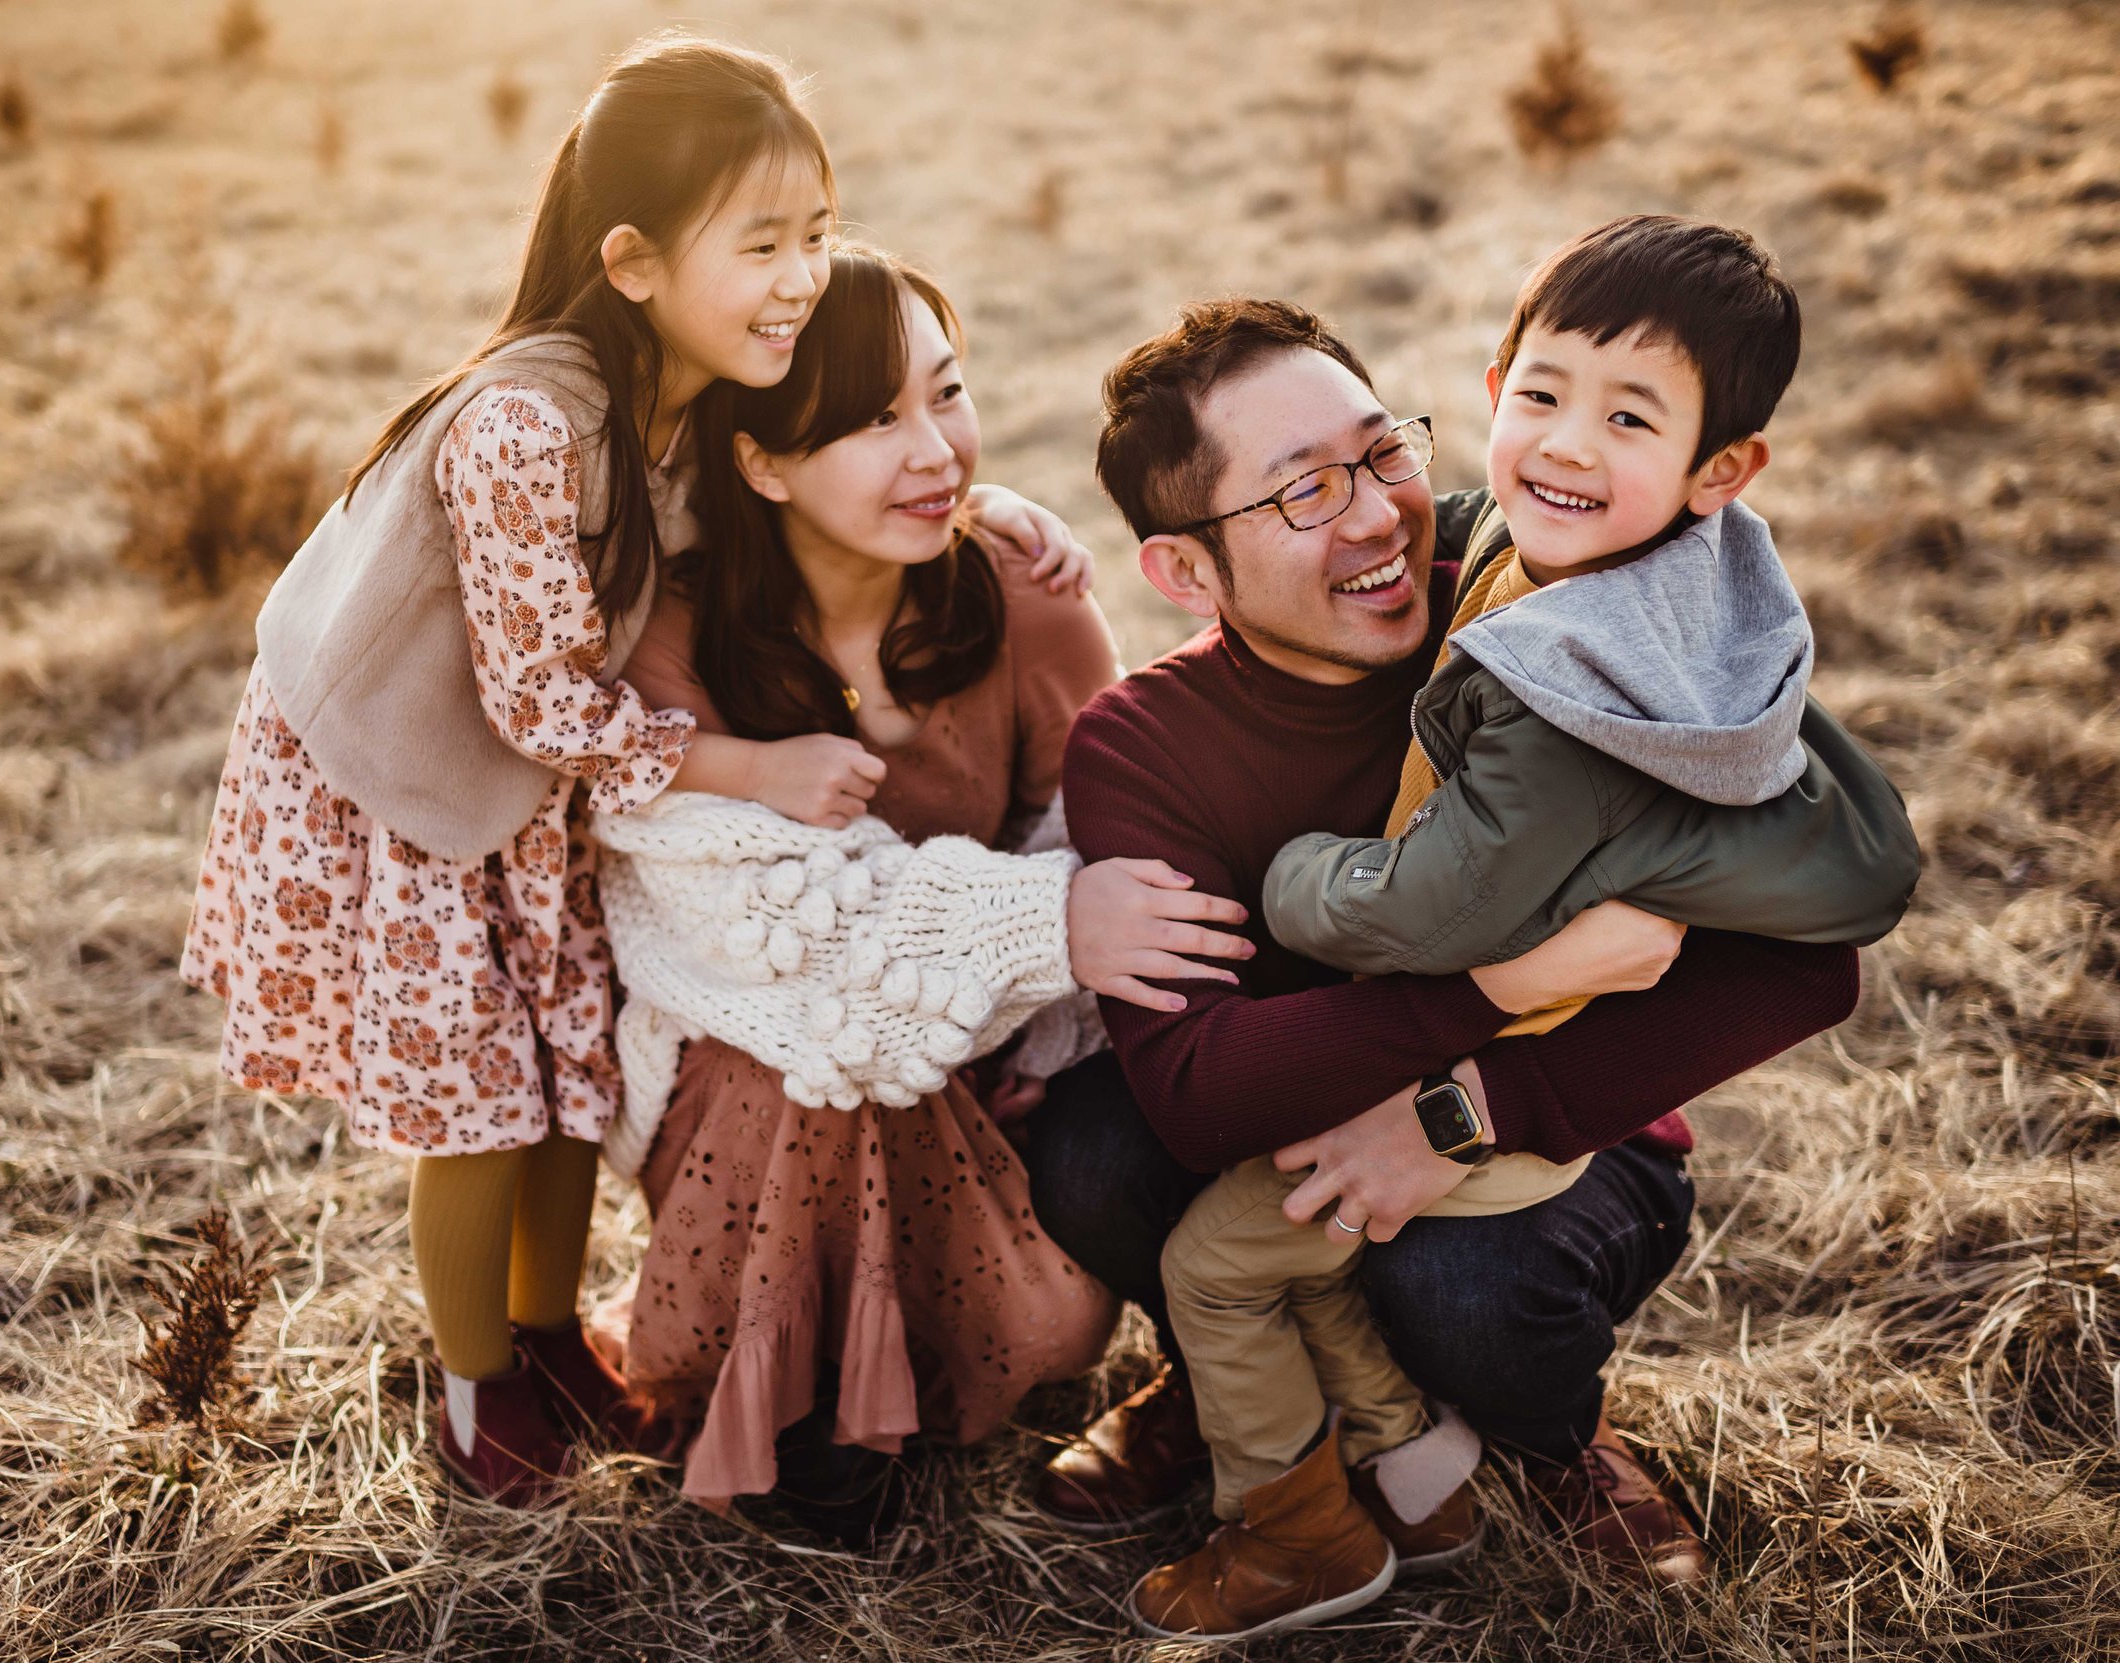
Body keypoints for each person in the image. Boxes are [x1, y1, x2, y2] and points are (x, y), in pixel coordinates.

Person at [178, 37, 1099, 1508]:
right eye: (762, 245)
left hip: (533, 791)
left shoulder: (684, 384)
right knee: (483, 1104)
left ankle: (551, 1341)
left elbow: (809, 468)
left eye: (816, 232)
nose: (803, 276)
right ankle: (479, 1393)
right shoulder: (527, 419)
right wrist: (749, 766)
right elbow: (540, 699)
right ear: (630, 260)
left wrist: (976, 498)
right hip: (413, 789)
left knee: (566, 1072)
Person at [1134, 220, 1919, 1641]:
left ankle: (1492, 1461)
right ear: (1494, 381)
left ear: (1719, 475)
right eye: (1543, 395)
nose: (1565, 443)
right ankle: (1406, 1463)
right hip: (1385, 1048)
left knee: (1366, 1271)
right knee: (1148, 1168)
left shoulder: (1601, 665)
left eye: (1632, 418)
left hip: (1547, 1111)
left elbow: (1448, 905)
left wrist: (1302, 885)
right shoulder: (1507, 546)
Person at [601, 246, 1243, 1543]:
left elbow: (1102, 832)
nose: (935, 450)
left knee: (1056, 1306)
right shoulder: (672, 633)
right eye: (870, 420)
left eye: (946, 396)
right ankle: (797, 1425)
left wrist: (1024, 1007)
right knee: (814, 1063)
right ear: (761, 462)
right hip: (750, 1075)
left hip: (971, 1060)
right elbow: (742, 918)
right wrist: (1041, 926)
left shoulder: (1025, 600)